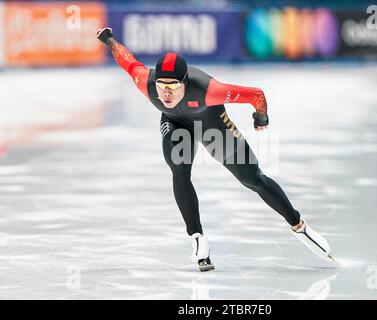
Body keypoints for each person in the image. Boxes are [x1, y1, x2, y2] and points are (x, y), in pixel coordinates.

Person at [96, 27, 335, 272]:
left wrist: (260, 118)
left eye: (173, 85)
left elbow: (256, 95)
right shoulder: (144, 82)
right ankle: (197, 237)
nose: (166, 92)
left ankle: (299, 225)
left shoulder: (209, 90)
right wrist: (109, 39)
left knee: (253, 179)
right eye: (161, 84)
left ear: (185, 83)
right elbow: (126, 58)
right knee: (179, 171)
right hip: (175, 122)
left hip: (213, 125)